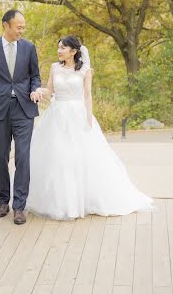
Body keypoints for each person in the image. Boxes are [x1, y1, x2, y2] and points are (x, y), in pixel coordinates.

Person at [26, 35, 153, 220]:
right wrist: (38, 91)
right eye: (58, 47)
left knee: (81, 157)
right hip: (57, 115)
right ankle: (62, 203)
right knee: (59, 157)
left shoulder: (85, 70)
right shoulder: (54, 68)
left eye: (62, 48)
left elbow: (88, 96)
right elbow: (50, 90)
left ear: (73, 51)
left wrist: (88, 118)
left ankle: (84, 200)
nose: (59, 50)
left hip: (78, 114)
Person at [0, 9, 41, 224]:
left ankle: (19, 206)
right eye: (19, 27)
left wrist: (35, 89)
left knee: (23, 156)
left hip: (24, 109)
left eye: (23, 27)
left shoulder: (29, 48)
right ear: (6, 25)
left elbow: (35, 76)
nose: (22, 30)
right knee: (1, 156)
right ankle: (2, 201)